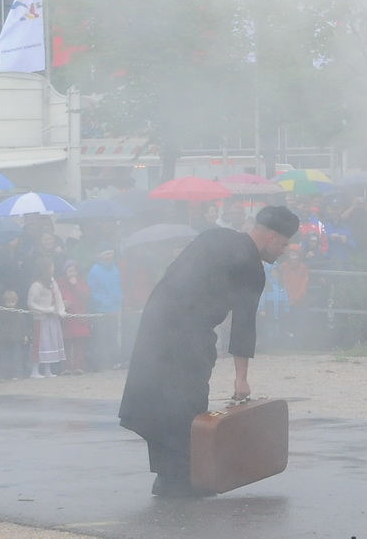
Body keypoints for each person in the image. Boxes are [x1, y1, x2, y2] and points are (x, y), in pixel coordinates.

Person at [119, 204, 299, 499]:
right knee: (185, 401)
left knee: (158, 398)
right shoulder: (251, 267)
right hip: (186, 332)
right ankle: (179, 480)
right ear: (269, 236)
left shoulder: (214, 236)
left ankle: (167, 476)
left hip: (156, 319)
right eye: (284, 243)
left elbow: (173, 272)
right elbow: (244, 325)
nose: (284, 250)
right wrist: (241, 379)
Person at [27, 257, 67, 379]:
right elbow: (30, 303)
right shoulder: (36, 285)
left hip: (52, 318)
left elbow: (58, 297)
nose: (53, 268)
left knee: (51, 343)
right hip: (41, 319)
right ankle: (35, 370)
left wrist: (61, 310)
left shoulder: (53, 283)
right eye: (51, 266)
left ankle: (48, 370)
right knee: (40, 344)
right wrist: (45, 310)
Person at [86, 248, 122, 370]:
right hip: (100, 309)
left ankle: (113, 362)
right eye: (107, 254)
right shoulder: (94, 270)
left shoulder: (115, 269)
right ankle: (99, 363)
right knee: (100, 337)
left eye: (111, 254)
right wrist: (102, 301)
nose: (109, 257)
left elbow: (118, 285)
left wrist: (119, 297)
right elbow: (91, 290)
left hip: (114, 309)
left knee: (112, 336)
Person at [58, 260, 90, 374]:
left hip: (79, 316)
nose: (73, 273)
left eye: (74, 271)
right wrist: (62, 303)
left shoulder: (80, 282)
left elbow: (85, 295)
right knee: (66, 343)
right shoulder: (60, 283)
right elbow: (56, 297)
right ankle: (66, 367)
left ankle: (78, 366)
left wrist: (75, 284)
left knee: (79, 342)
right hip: (66, 317)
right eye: (70, 271)